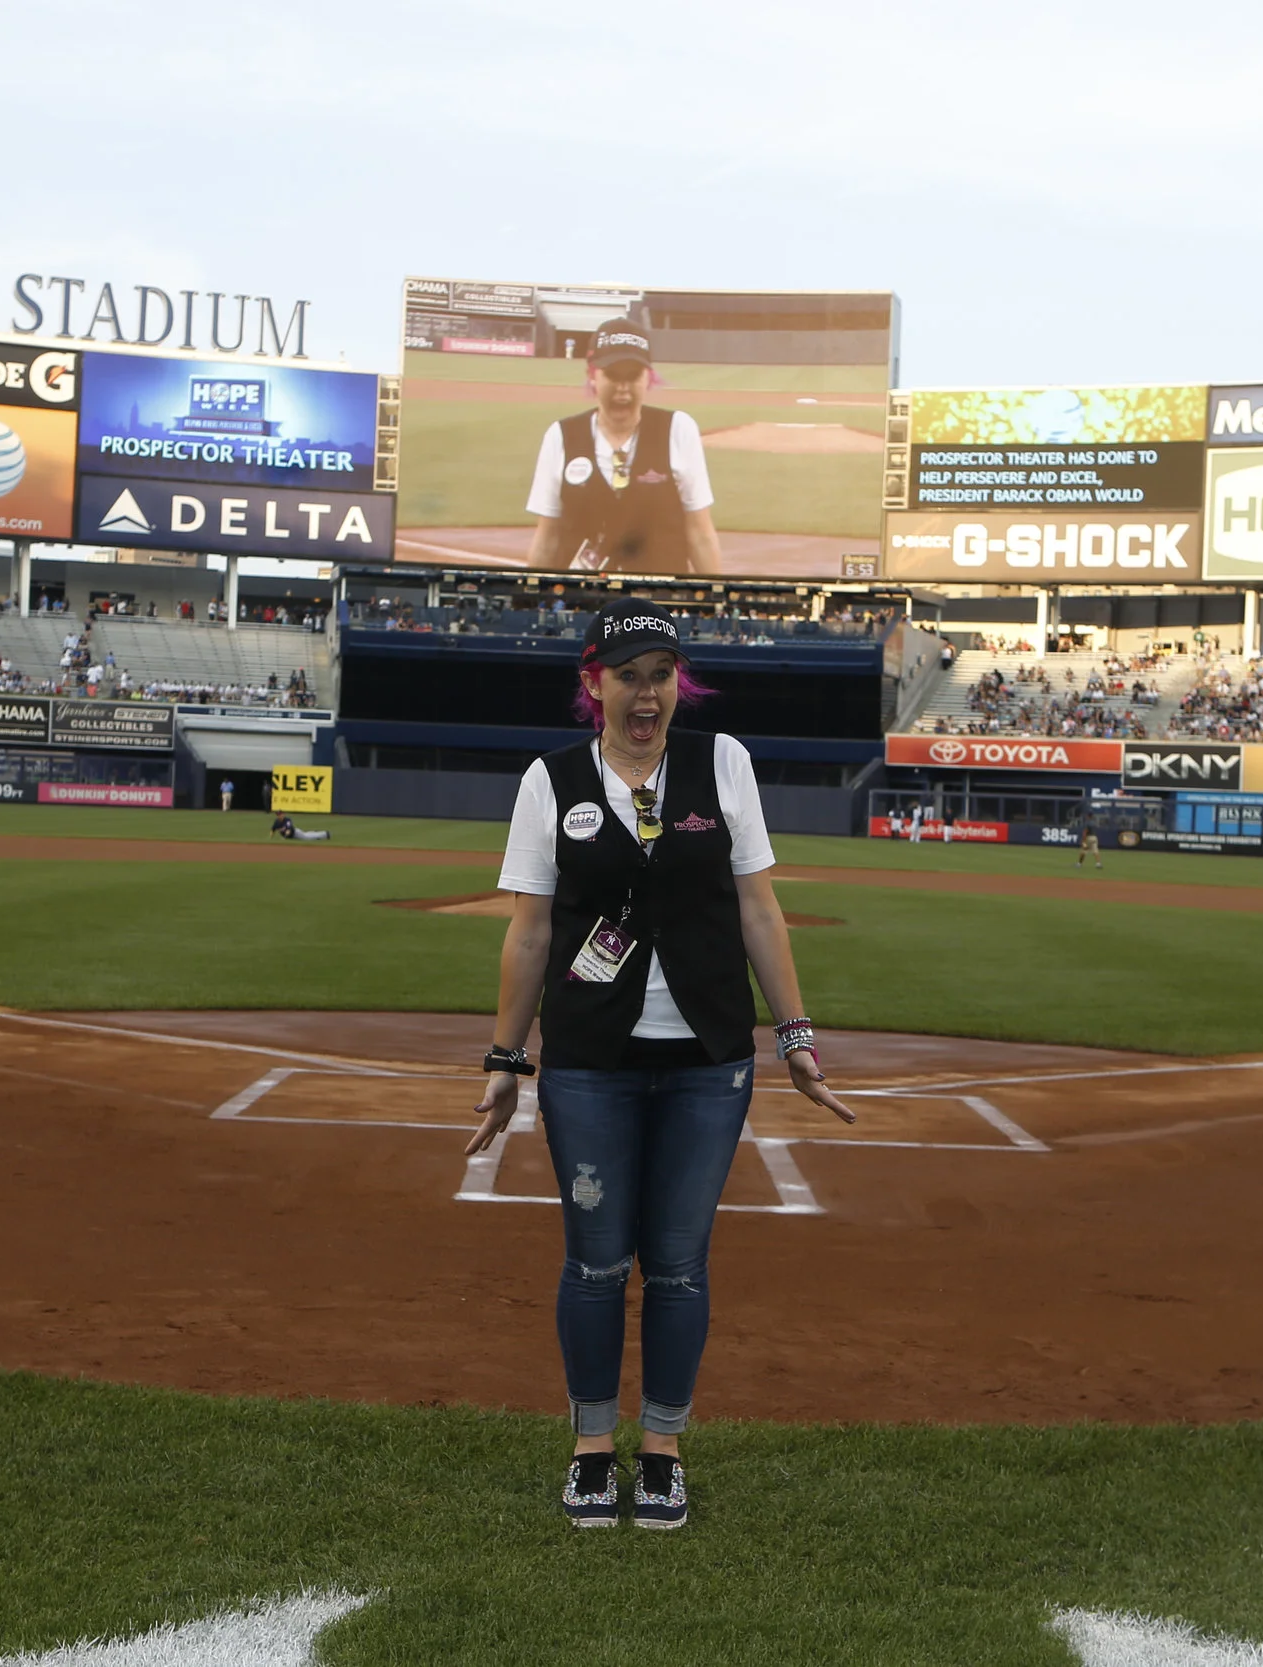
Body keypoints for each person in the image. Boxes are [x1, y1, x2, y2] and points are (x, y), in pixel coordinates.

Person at [467, 599, 852, 1530]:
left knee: (678, 1265)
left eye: (663, 675)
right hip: (591, 1057)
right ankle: (594, 1446)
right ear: (593, 682)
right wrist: (504, 1057)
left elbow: (759, 908)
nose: (649, 694)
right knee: (597, 1261)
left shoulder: (722, 763)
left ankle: (665, 1449)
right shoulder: (550, 780)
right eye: (630, 674)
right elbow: (529, 932)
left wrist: (795, 1034)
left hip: (707, 1060)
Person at [523, 319, 723, 575]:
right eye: (612, 375)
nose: (623, 389)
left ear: (648, 378)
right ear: (592, 376)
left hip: (657, 604)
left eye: (633, 376)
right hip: (585, 604)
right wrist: (528, 600)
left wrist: (718, 604)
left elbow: (699, 534)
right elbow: (547, 539)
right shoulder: (561, 437)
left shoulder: (678, 430)